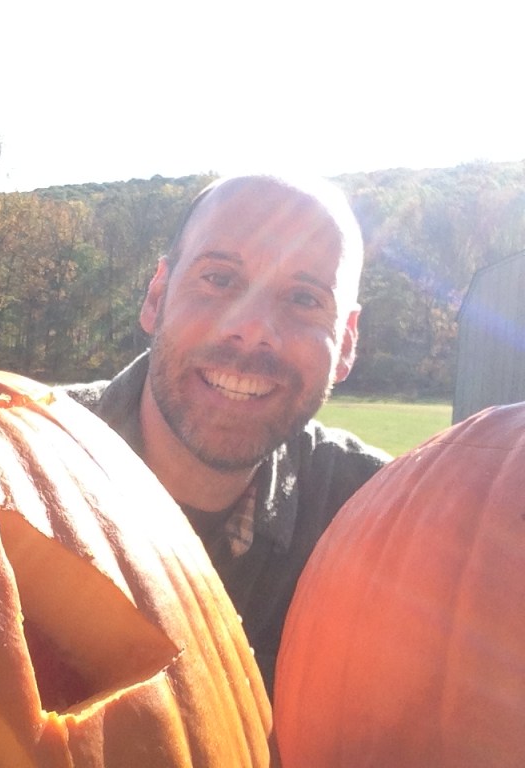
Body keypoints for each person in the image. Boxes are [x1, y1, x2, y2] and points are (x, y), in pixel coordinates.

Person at [64, 173, 391, 699]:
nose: (254, 327)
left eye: (304, 299)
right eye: (219, 280)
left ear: (346, 342)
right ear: (156, 297)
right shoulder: (4, 461)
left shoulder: (381, 520)